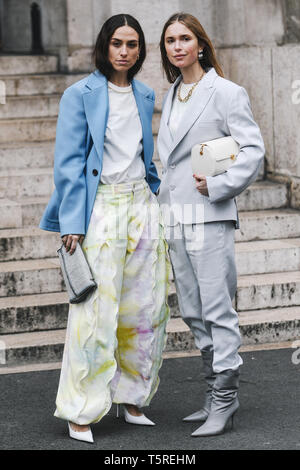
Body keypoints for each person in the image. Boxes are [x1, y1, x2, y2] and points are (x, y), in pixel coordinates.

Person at [39, 14, 170, 444]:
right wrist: (72, 221)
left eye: (133, 44)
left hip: (141, 205)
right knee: (94, 313)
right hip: (101, 208)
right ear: (104, 45)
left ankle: (132, 399)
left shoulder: (145, 92)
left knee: (144, 307)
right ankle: (81, 410)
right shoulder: (80, 94)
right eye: (117, 43)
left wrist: (156, 196)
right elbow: (69, 163)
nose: (125, 51)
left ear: (140, 50)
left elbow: (144, 155)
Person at [157, 12, 265, 437]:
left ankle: (226, 396)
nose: (177, 46)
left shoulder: (226, 91)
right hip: (175, 216)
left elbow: (252, 150)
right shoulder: (171, 94)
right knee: (192, 308)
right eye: (170, 41)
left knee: (217, 307)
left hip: (210, 213)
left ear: (200, 45)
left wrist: (219, 183)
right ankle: (212, 391)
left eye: (185, 39)